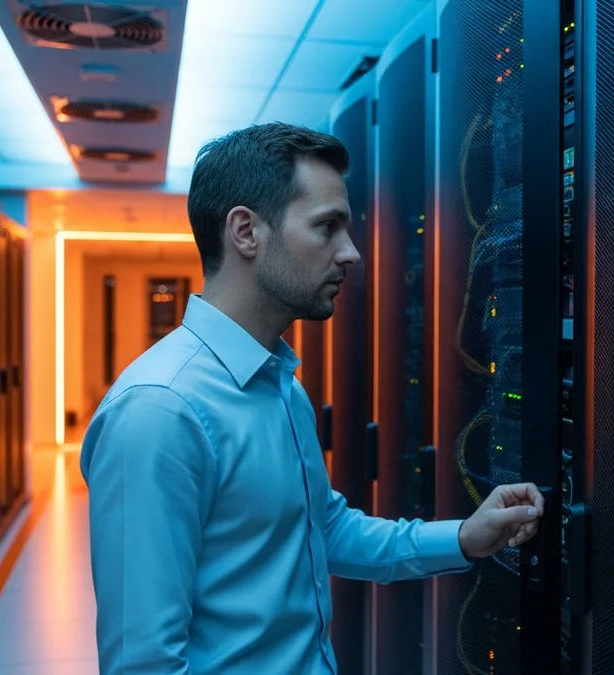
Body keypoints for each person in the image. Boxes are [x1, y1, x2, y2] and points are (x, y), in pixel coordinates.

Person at [79, 122, 545, 674]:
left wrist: (465, 538)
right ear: (246, 232)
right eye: (328, 227)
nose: (350, 253)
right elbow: (144, 665)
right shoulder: (159, 411)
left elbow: (325, 530)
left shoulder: (281, 384)